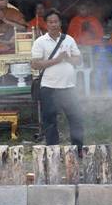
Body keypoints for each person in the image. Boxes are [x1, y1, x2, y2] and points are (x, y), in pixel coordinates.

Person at [31, 8, 84, 150]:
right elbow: (35, 64)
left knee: (76, 118)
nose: (53, 24)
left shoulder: (69, 39)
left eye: (56, 21)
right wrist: (57, 60)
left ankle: (78, 150)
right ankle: (53, 152)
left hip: (69, 86)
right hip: (49, 87)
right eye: (50, 22)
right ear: (46, 24)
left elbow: (78, 60)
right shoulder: (40, 41)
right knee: (50, 121)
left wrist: (67, 58)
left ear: (60, 23)